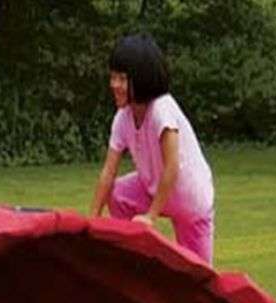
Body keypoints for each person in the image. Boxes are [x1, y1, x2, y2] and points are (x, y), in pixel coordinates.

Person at [89, 33, 216, 265]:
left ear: (142, 79)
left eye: (122, 79)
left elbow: (172, 166)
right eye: (113, 77)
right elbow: (108, 172)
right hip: (153, 187)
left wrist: (151, 215)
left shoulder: (162, 109)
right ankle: (136, 259)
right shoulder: (123, 118)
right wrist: (92, 220)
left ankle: (147, 253)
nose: (114, 85)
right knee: (117, 194)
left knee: (198, 275)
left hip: (190, 200)